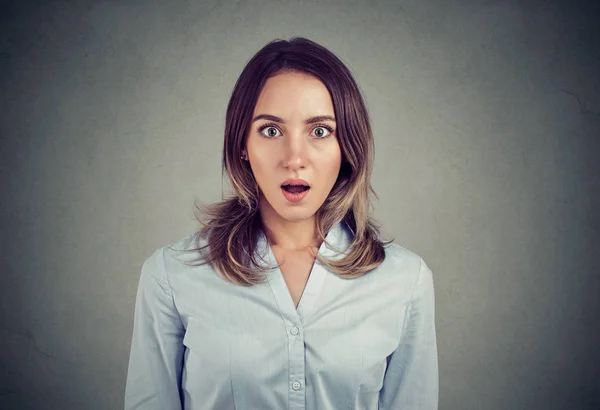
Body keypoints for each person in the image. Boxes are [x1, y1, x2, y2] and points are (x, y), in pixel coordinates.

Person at [124, 36, 438, 410]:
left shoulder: (404, 281)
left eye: (320, 131)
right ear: (242, 144)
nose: (295, 158)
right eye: (271, 130)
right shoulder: (171, 275)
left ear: (347, 146)